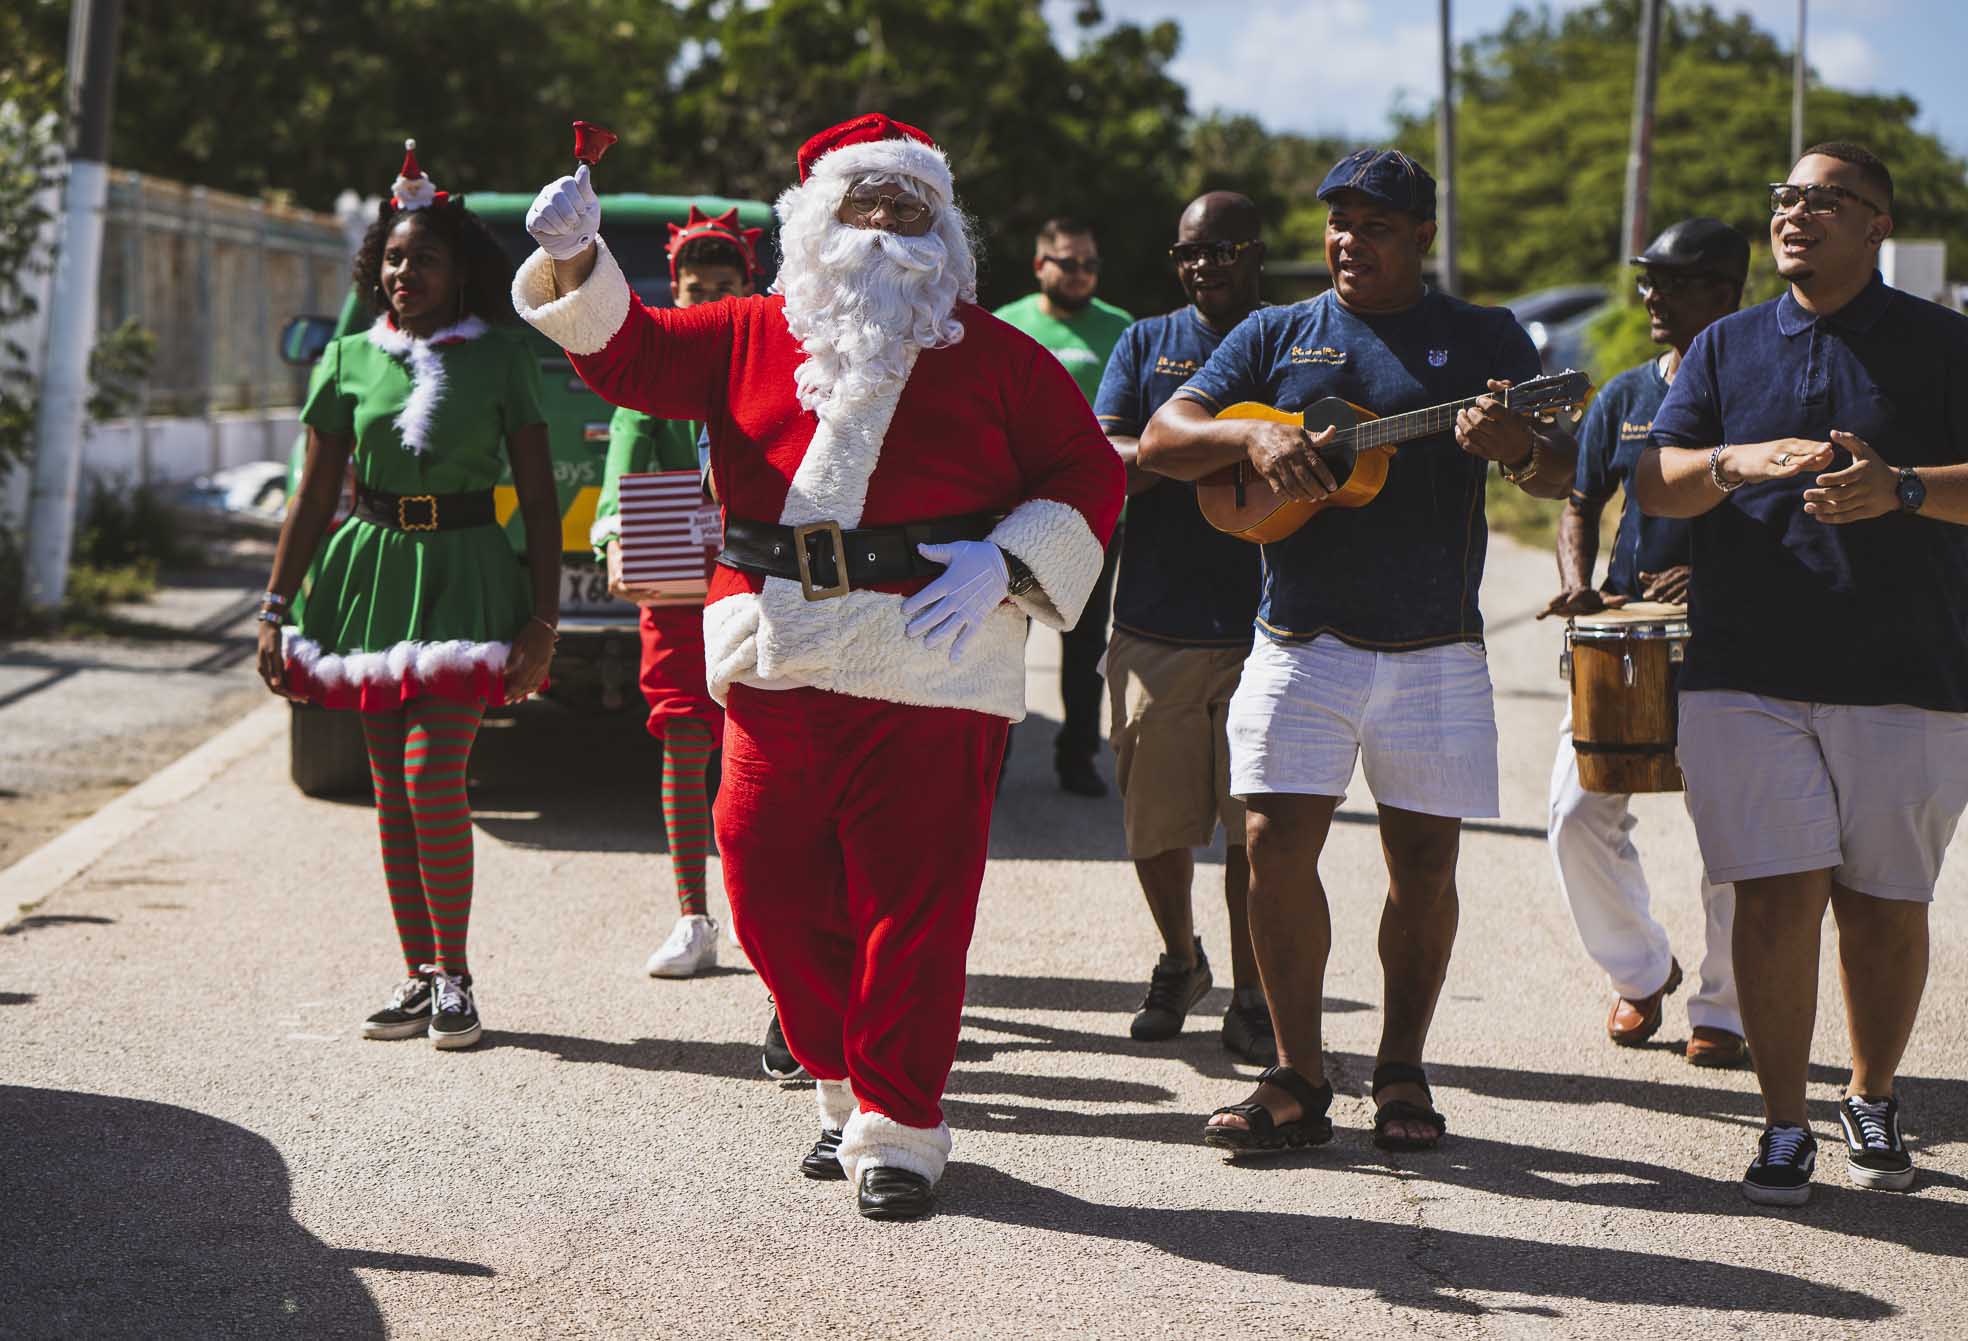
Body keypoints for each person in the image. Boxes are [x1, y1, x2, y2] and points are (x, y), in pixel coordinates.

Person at [517, 114, 1123, 1219]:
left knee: (915, 906)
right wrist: (576, 260)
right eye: (867, 203)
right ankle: (843, 1086)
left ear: (945, 229)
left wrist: (1006, 561)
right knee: (761, 886)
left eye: (911, 206)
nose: (890, 225)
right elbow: (629, 357)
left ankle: (898, 1127)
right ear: (814, 221)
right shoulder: (746, 331)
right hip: (780, 653)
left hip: (934, 659)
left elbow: (1087, 469)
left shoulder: (997, 356)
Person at [1139, 149, 1576, 1156]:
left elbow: (1558, 472)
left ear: (1422, 235)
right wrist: (1249, 443)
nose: (1348, 241)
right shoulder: (1276, 332)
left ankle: (1401, 1070)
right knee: (1269, 846)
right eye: (1338, 223)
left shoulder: (1481, 337)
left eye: (1374, 225)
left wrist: (1512, 445)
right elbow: (1165, 440)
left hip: (1433, 648)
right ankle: (1295, 1074)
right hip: (1300, 641)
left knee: (1422, 863)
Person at [1636, 142, 1968, 1206]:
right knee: (1775, 901)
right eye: (1786, 196)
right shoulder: (1725, 349)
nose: (1798, 214)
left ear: (1877, 225)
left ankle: (1869, 1094)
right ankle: (1785, 1123)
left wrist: (1902, 490)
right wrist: (1731, 464)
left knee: (1881, 905)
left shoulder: (1943, 344)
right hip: (1746, 670)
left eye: (1826, 200)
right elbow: (1657, 482)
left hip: (1907, 670)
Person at [254, 142, 560, 1051]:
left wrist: (542, 621)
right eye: (391, 257)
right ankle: (419, 975)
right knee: (391, 788)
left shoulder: (503, 358)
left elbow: (539, 500)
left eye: (423, 257)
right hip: (371, 570)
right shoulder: (348, 357)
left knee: (433, 780)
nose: (404, 271)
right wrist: (274, 608)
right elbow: (312, 495)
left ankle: (458, 978)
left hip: (468, 569)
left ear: (460, 269)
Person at [1541, 218, 1750, 1067]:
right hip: (1624, 642)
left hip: (1735, 644)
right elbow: (1579, 500)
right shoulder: (1627, 395)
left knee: (1735, 834)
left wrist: (1712, 583)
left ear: (1724, 290)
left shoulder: (1760, 391)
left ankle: (1726, 1009)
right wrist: (1580, 577)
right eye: (1646, 279)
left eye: (1670, 280)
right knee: (1573, 813)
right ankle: (1642, 969)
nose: (1651, 296)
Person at [1092, 191, 1270, 1063]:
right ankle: (1179, 957)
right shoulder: (1144, 343)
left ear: (1257, 254)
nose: (1207, 266)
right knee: (1156, 826)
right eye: (1192, 253)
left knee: (1253, 829)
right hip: (1156, 621)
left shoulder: (1290, 341)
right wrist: (1221, 446)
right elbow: (1108, 457)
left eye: (1224, 249)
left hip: (1270, 625)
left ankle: (1254, 991)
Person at [994, 219, 1133, 796]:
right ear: (1039, 265)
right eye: (1069, 264)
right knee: (1004, 638)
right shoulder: (1007, 325)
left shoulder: (1120, 328)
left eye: (1090, 266)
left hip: (1094, 519)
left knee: (1085, 640)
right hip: (1014, 515)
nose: (1081, 276)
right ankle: (992, 763)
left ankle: (1078, 757)